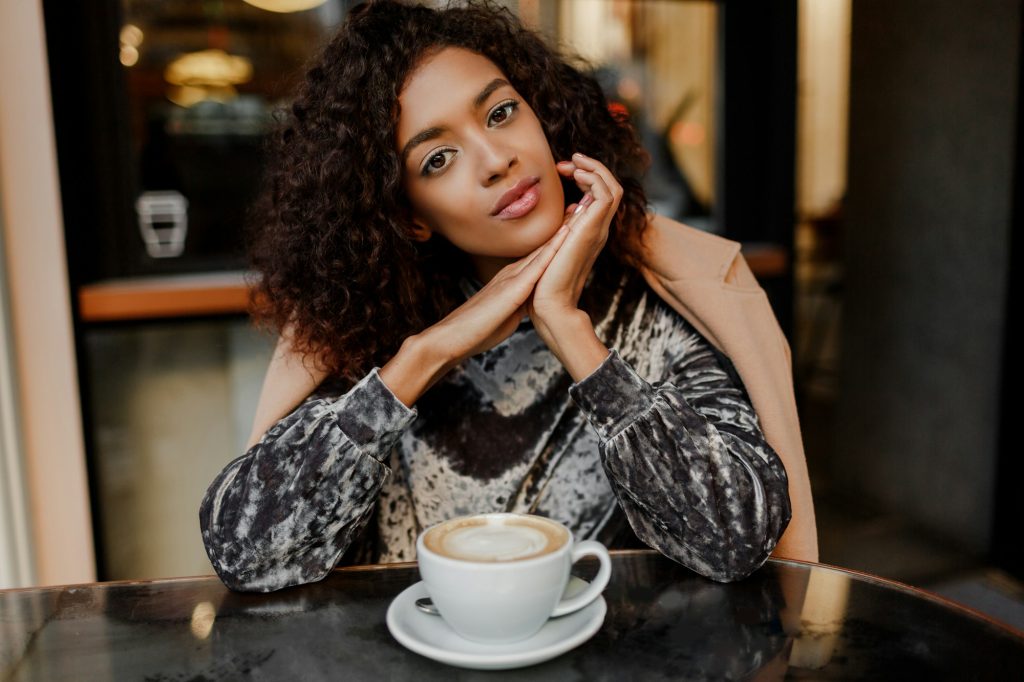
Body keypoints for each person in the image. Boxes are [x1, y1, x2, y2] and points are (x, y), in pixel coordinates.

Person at [199, 0, 808, 594]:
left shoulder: (664, 307)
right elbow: (246, 551)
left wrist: (569, 328)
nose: (497, 160)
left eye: (499, 113)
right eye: (439, 158)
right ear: (410, 218)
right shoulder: (371, 332)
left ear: (540, 116)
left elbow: (739, 539)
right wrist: (423, 357)